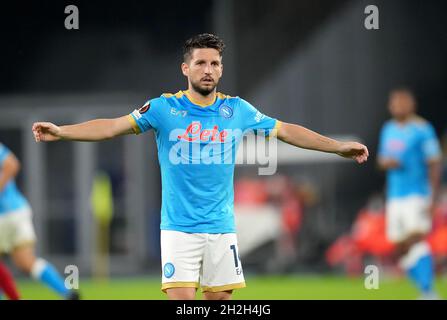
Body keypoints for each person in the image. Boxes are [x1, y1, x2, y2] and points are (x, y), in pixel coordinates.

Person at [32, 33, 368, 300]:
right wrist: (63, 132)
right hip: (179, 228)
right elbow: (111, 127)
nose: (208, 69)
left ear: (221, 69)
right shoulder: (163, 109)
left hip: (222, 228)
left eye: (215, 63)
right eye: (201, 62)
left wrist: (337, 147)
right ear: (186, 68)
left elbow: (286, 131)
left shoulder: (237, 110)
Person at [377, 88, 442, 299]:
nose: (398, 106)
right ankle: (424, 288)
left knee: (416, 238)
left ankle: (427, 291)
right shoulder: (388, 129)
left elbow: (434, 163)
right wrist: (386, 163)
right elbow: (381, 159)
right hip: (395, 196)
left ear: (411, 105)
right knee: (399, 246)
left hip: (416, 193)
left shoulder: (422, 130)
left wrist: (433, 196)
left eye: (402, 103)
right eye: (394, 103)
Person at [0, 142, 78, 300]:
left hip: (4, 214)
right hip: (18, 210)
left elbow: (11, 164)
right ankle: (67, 292)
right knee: (27, 262)